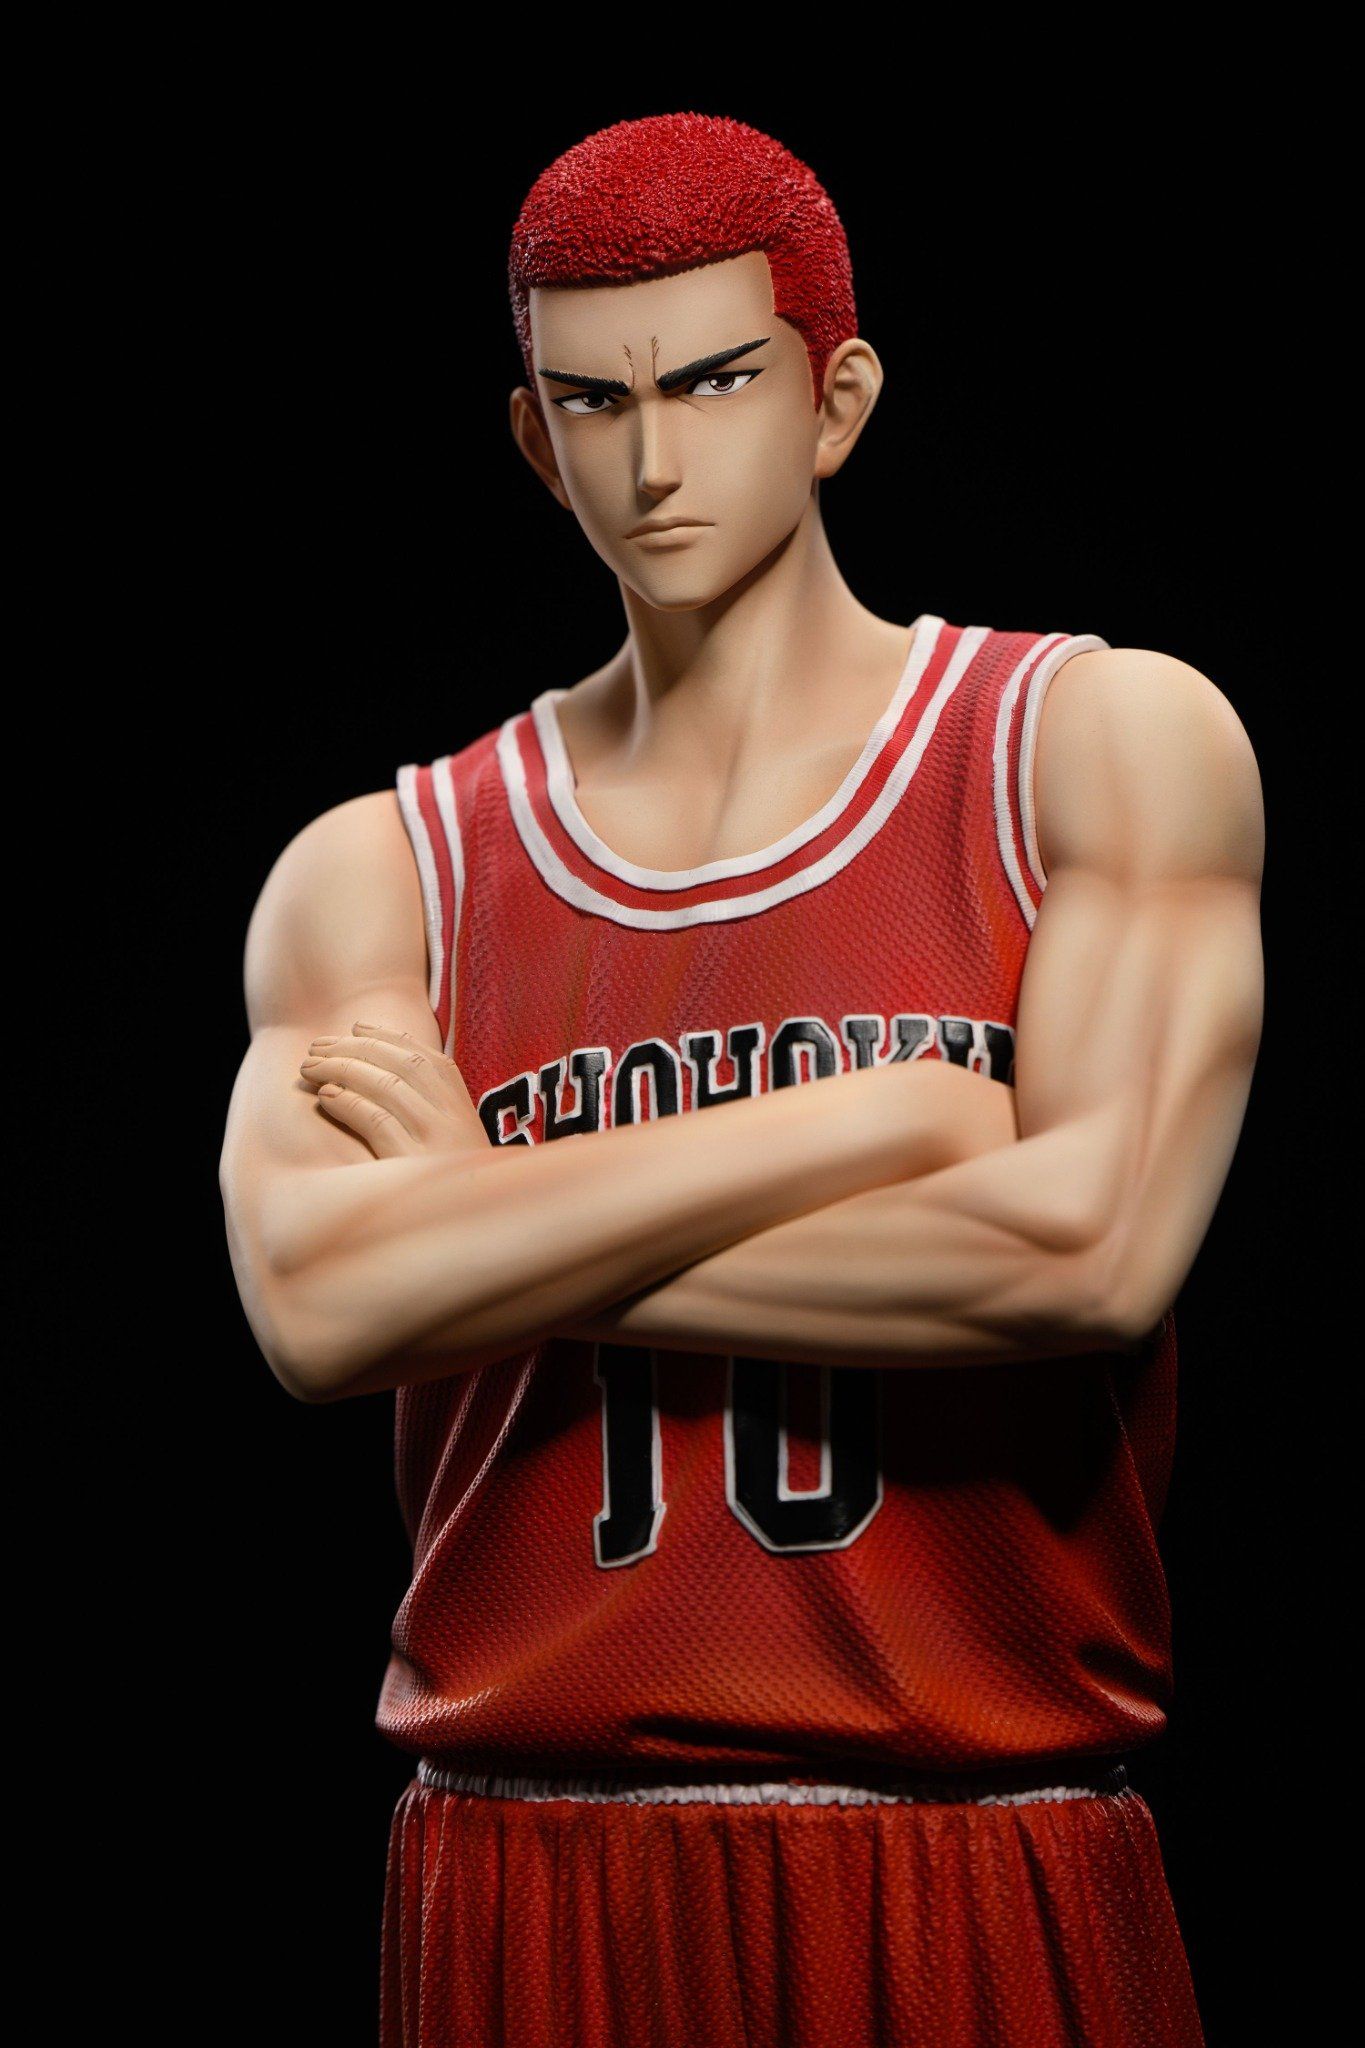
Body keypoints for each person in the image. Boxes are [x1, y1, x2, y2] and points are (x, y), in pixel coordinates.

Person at [219, 113, 1263, 2048]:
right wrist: (888, 1123)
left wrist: (480, 1224)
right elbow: (318, 1309)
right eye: (593, 402)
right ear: (534, 437)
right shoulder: (388, 872)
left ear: (834, 397)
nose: (655, 461)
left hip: (970, 1841)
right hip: (524, 1859)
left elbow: (1084, 1254)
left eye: (712, 382)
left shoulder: (1087, 746)